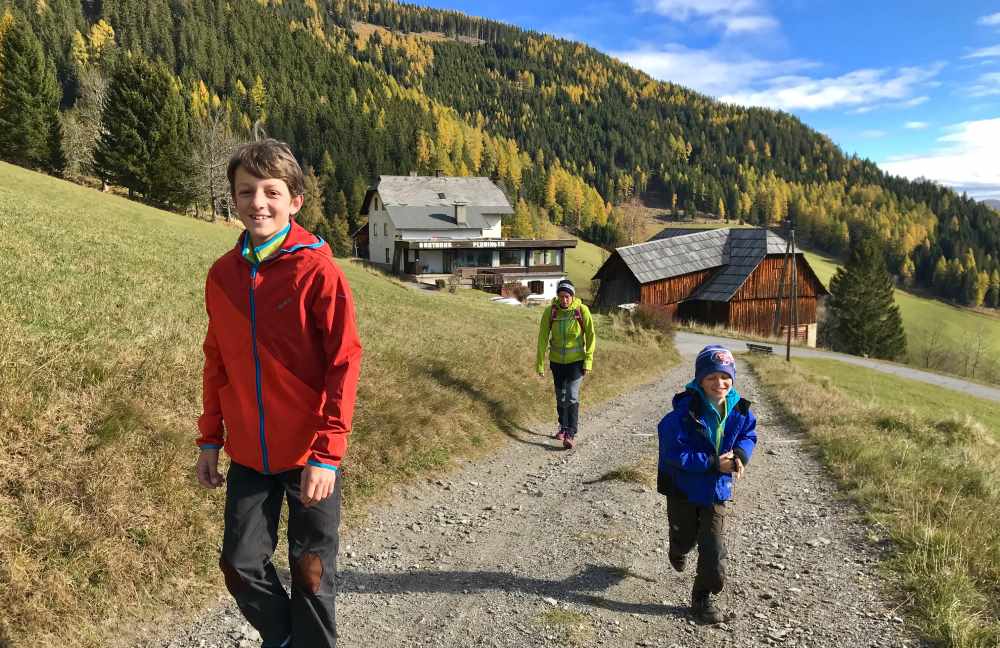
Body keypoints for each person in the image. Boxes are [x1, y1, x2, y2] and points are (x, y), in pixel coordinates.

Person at [194, 139, 363, 648]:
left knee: (310, 575)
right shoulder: (222, 276)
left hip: (310, 455)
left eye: (272, 191)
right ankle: (286, 638)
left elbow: (344, 364)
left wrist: (327, 455)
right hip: (248, 453)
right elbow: (216, 360)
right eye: (246, 191)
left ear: (295, 201)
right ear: (234, 199)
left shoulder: (318, 272)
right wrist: (209, 439)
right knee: (239, 564)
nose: (258, 202)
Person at [656, 345, 757, 624]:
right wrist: (714, 463)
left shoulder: (740, 410)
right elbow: (674, 454)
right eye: (711, 377)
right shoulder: (682, 414)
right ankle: (677, 548)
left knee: (713, 549)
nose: (719, 383)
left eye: (725, 377)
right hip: (683, 489)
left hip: (716, 490)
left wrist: (740, 454)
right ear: (700, 379)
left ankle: (702, 597)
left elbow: (748, 436)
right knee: (685, 536)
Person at [535, 279, 596, 449]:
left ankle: (571, 432)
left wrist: (588, 361)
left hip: (576, 363)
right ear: (558, 297)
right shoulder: (551, 312)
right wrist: (540, 363)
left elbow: (591, 336)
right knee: (561, 397)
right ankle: (562, 426)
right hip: (556, 362)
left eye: (567, 296)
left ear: (572, 296)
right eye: (561, 296)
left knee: (571, 395)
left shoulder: (581, 311)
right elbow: (542, 338)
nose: (564, 300)